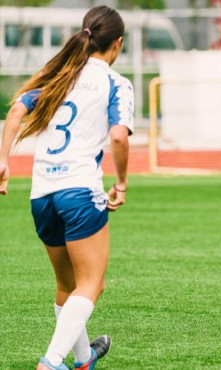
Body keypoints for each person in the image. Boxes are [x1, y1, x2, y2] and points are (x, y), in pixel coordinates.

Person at [0, 6, 133, 369]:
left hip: (41, 194)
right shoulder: (114, 82)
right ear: (117, 43)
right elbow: (119, 136)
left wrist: (3, 160)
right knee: (92, 284)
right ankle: (52, 361)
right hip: (80, 192)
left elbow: (15, 112)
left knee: (67, 285)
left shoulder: (59, 76)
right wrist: (121, 182)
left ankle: (84, 358)